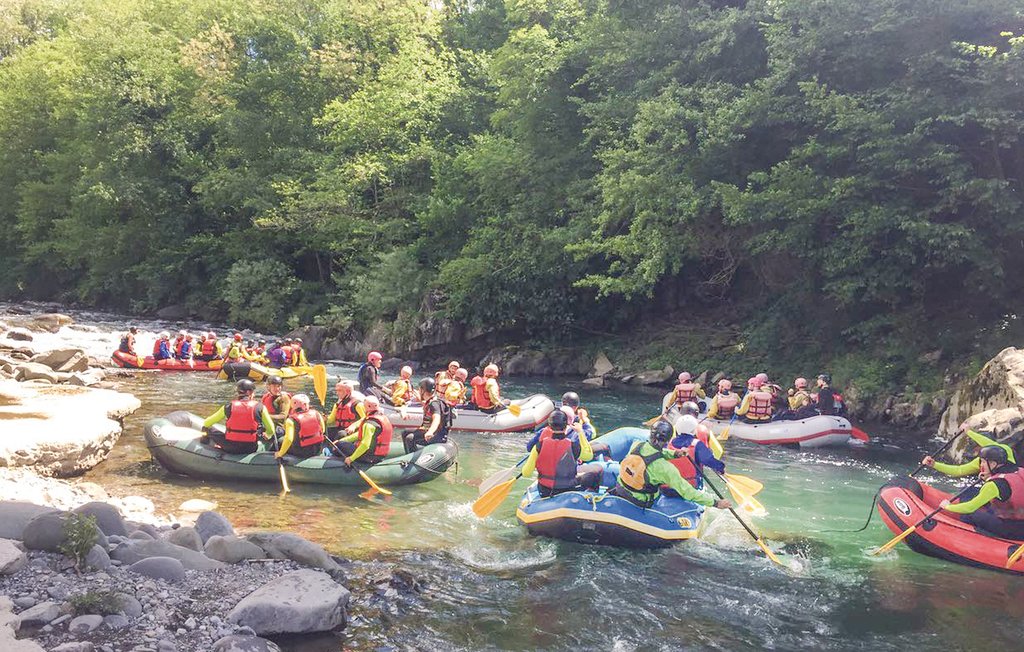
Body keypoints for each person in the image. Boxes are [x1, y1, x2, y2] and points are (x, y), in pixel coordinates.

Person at [609, 420, 732, 510]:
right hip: (640, 500)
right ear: (668, 441)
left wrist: (675, 454)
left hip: (621, 488)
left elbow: (653, 454)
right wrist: (716, 503)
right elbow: (687, 492)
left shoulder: (637, 444)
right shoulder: (665, 468)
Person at [927, 444, 1024, 539]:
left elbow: (970, 508)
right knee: (970, 491)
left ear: (993, 464)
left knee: (970, 513)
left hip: (1011, 529)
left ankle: (967, 538)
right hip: (1019, 522)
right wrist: (934, 464)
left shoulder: (993, 485)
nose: (980, 465)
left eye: (983, 462)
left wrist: (947, 506)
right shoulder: (1020, 470)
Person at [522, 410, 602, 497]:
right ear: (566, 426)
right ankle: (588, 502)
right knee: (595, 474)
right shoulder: (573, 446)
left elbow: (526, 473)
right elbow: (588, 456)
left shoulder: (538, 446)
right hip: (568, 488)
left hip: (545, 490)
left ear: (550, 426)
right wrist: (580, 432)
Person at [201, 379, 276, 454]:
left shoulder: (228, 406)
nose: (254, 394)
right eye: (253, 392)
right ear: (249, 392)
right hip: (251, 448)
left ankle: (204, 448)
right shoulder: (260, 407)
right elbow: (271, 429)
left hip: (230, 446)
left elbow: (207, 423)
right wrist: (267, 435)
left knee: (206, 428)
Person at [667, 414, 725, 490]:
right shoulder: (697, 445)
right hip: (690, 488)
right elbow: (709, 461)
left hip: (668, 488)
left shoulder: (668, 443)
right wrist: (721, 468)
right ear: (694, 430)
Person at [334, 395, 392, 466]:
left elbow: (365, 445)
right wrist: (343, 440)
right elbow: (359, 435)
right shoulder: (383, 418)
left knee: (339, 445)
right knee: (340, 442)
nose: (363, 408)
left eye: (364, 406)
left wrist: (351, 458)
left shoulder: (369, 424)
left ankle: (334, 461)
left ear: (369, 407)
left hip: (369, 457)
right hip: (380, 455)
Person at [402, 379, 452, 453]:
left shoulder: (434, 404)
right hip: (433, 431)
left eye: (419, 389)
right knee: (405, 432)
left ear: (423, 390)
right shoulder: (432, 401)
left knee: (410, 438)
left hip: (437, 435)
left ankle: (413, 462)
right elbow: (429, 414)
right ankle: (408, 455)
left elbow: (437, 418)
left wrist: (430, 432)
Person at [276, 394, 326, 460]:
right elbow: (323, 430)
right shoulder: (317, 414)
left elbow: (289, 439)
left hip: (302, 452)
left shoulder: (290, 420)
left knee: (280, 441)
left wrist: (280, 454)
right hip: (318, 448)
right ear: (305, 405)